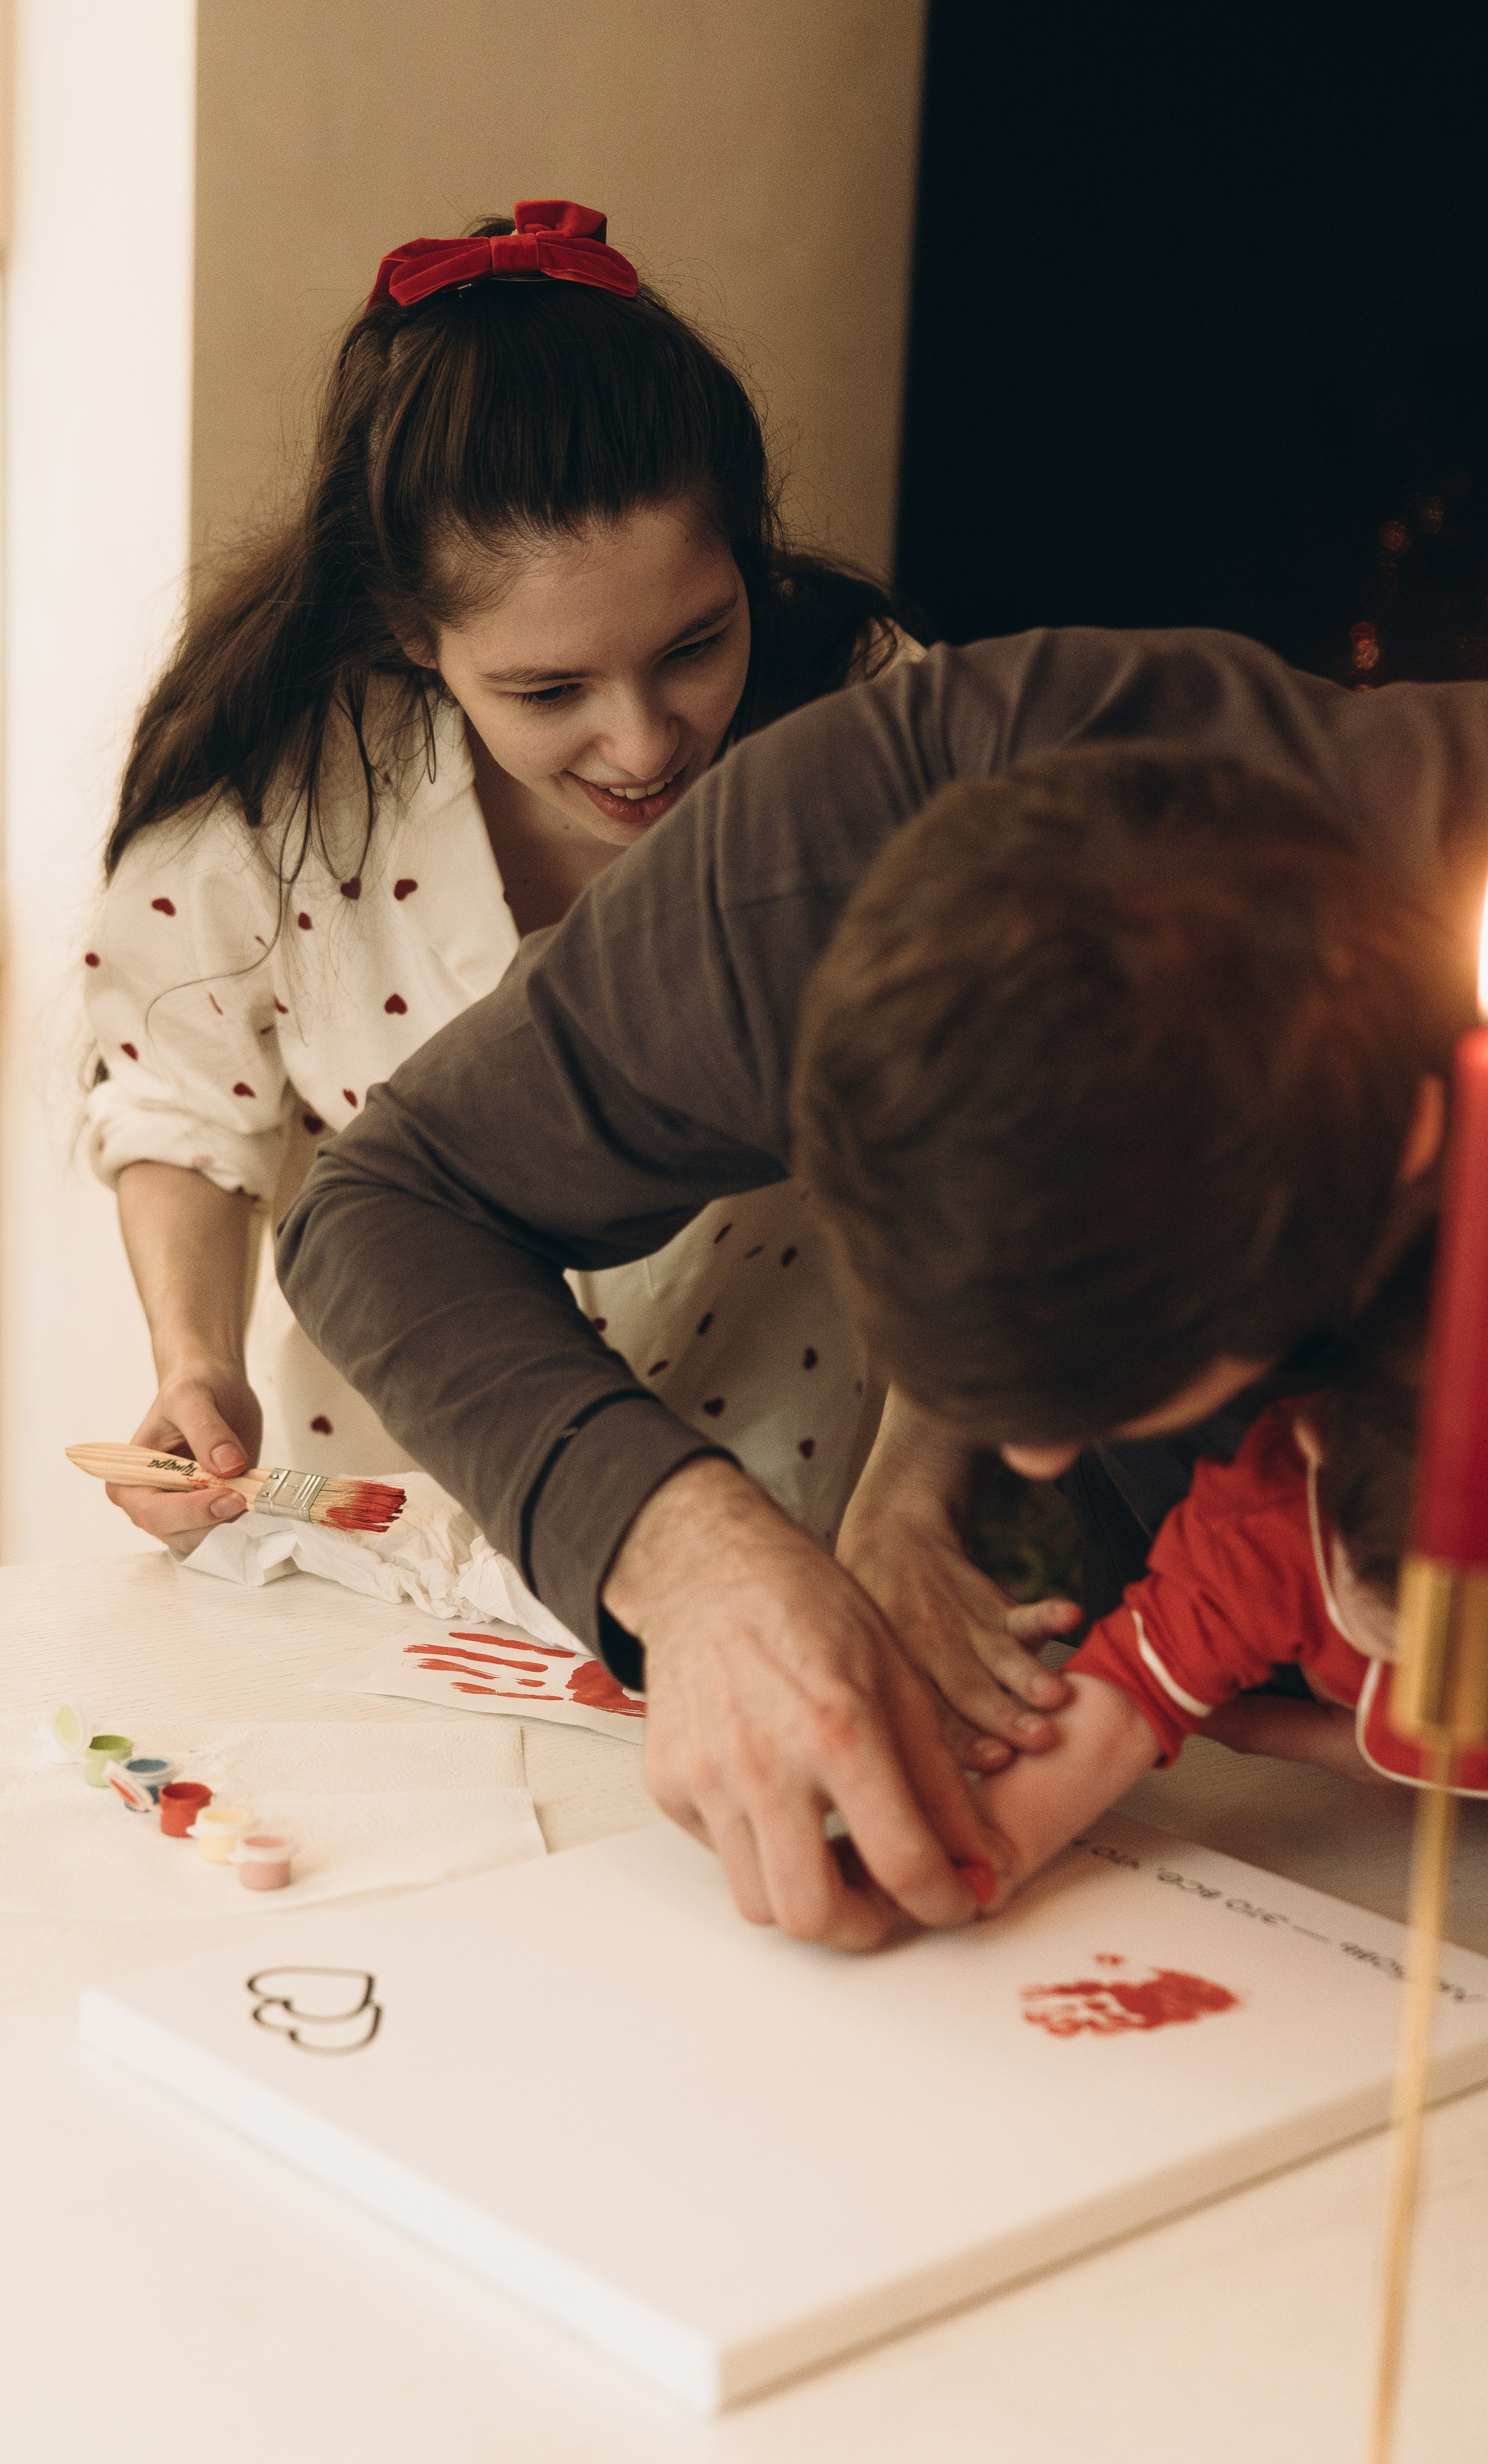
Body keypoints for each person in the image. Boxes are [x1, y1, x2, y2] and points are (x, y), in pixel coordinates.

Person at [277, 639, 1488, 1951]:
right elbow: (374, 1209)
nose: (1026, 1454)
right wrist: (684, 1550)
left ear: (1406, 1153)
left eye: (1107, 1374)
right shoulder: (794, 880)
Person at [82, 199, 935, 1600]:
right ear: (416, 638)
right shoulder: (278, 797)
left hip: (786, 1535)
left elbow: (981, 1140)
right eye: (549, 692)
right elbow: (180, 1100)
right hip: (390, 1537)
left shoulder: (875, 724)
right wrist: (195, 1363)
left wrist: (917, 1512)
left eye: (695, 647)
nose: (645, 741)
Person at [964, 1233, 1488, 1915]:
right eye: (1404, 1644)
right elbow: (1121, 1703)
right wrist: (980, 1854)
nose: (1453, 1694)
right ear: (1317, 1449)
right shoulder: (1266, 1528)